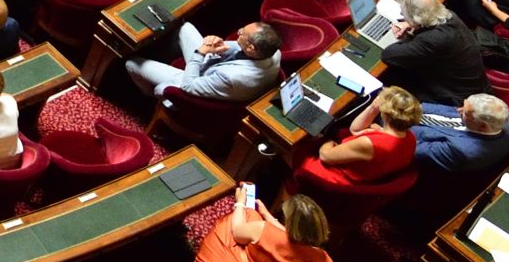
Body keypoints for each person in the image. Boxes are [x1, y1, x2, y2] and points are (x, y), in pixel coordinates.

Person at [193, 186, 334, 262]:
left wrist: (240, 203)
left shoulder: (263, 230)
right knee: (253, 215)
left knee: (242, 215)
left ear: (290, 225)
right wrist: (268, 216)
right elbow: (297, 241)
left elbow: (237, 232)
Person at [125, 20, 281, 104]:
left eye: (242, 33)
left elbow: (188, 86)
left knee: (131, 64)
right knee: (185, 26)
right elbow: (237, 48)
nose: (239, 32)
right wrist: (219, 45)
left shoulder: (232, 77)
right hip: (215, 70)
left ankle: (148, 97)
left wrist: (200, 54)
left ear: (251, 48)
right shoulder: (273, 53)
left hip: (198, 83)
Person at [379, 0, 490, 106]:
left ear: (416, 18)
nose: (403, 17)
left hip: (457, 98)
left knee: (390, 76)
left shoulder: (433, 39)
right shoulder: (450, 16)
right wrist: (411, 24)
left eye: (404, 15)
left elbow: (388, 55)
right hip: (472, 85)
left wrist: (407, 33)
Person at [299, 86, 421, 190]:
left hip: (331, 178)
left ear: (386, 115)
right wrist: (373, 107)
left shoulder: (371, 144)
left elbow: (325, 156)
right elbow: (355, 130)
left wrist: (327, 138)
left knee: (297, 142)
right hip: (365, 175)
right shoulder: (410, 138)